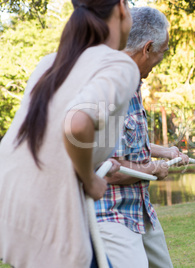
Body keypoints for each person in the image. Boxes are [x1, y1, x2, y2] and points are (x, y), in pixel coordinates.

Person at [0, 1, 139, 267]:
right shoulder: (119, 65)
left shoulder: (50, 63)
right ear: (121, 8)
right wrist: (90, 180)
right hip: (48, 213)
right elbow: (76, 123)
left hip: (8, 202)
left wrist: (95, 163)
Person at [94, 7, 189, 268]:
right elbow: (108, 169)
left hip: (140, 208)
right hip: (111, 213)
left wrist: (165, 152)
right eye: (162, 52)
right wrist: (153, 169)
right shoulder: (109, 86)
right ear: (147, 48)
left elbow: (130, 143)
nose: (162, 59)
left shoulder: (134, 83)